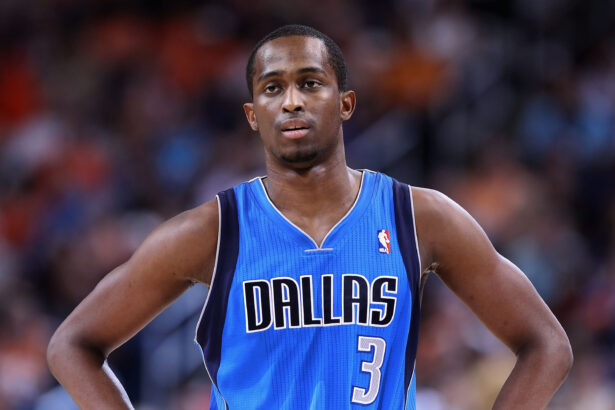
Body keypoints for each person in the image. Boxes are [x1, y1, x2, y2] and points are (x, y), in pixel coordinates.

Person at [47, 24, 573, 409]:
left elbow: (547, 344)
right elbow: (72, 344)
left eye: (310, 82)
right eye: (273, 87)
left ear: (345, 103)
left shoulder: (419, 217)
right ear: (253, 115)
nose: (292, 101)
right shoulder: (211, 231)